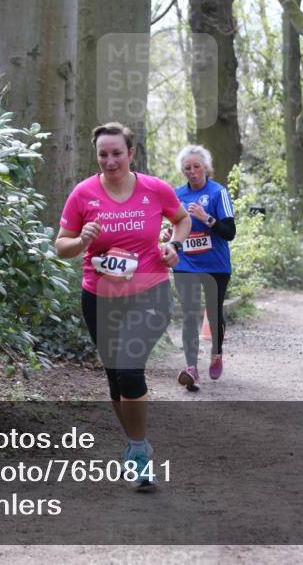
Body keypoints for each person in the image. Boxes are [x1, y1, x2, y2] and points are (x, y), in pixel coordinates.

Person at [56, 122, 191, 490]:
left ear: (131, 153)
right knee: (116, 377)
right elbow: (61, 245)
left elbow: (182, 220)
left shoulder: (155, 189)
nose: (110, 160)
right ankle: (136, 443)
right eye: (103, 154)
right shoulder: (83, 194)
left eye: (117, 153)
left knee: (129, 371)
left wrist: (173, 246)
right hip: (99, 297)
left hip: (150, 292)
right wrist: (81, 241)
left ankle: (139, 452)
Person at [165, 146, 236, 392]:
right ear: (182, 171)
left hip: (216, 265)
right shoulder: (177, 195)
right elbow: (175, 227)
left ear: (205, 167)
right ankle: (192, 369)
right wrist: (169, 236)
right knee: (190, 314)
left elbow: (230, 232)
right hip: (186, 263)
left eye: (196, 166)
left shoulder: (218, 192)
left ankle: (216, 353)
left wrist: (207, 218)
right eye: (187, 168)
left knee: (213, 313)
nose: (192, 171)